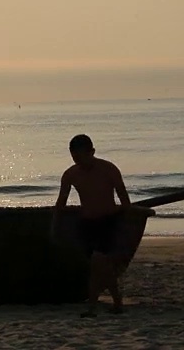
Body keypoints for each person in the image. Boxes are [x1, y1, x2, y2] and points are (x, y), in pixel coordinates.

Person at [52, 134, 131, 318]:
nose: (78, 162)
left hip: (109, 221)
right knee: (100, 266)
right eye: (75, 158)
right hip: (87, 224)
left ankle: (93, 308)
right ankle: (117, 303)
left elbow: (124, 199)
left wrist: (126, 225)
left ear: (92, 152)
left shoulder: (109, 169)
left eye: (81, 157)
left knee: (98, 263)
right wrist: (54, 227)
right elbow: (61, 203)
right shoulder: (70, 174)